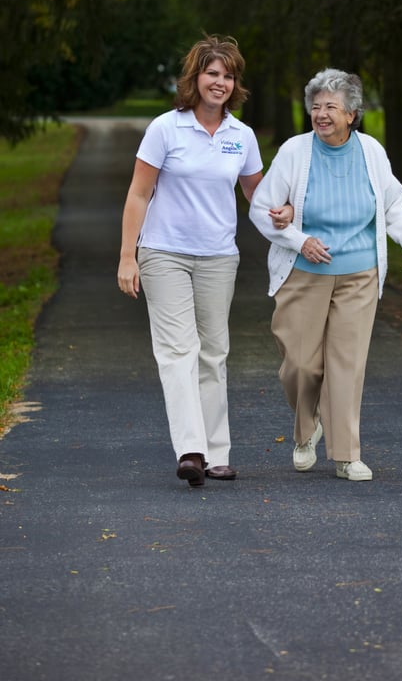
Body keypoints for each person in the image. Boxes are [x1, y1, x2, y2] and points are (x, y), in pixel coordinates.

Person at [249, 68, 402, 482]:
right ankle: (306, 429)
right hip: (304, 273)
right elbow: (261, 208)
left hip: (359, 273)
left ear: (352, 114)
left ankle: (347, 455)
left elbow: (392, 203)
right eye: (316, 107)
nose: (321, 114)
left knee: (347, 364)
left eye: (331, 106)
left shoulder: (371, 152)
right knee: (300, 365)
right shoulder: (295, 152)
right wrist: (297, 239)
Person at [117, 35, 264, 488]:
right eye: (212, 73)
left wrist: (287, 217)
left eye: (227, 75)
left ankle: (218, 452)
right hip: (163, 253)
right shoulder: (166, 128)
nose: (219, 82)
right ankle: (191, 451)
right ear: (195, 78)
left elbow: (257, 196)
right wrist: (128, 256)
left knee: (214, 353)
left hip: (219, 256)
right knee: (179, 351)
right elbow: (139, 193)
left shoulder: (242, 136)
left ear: (234, 83)